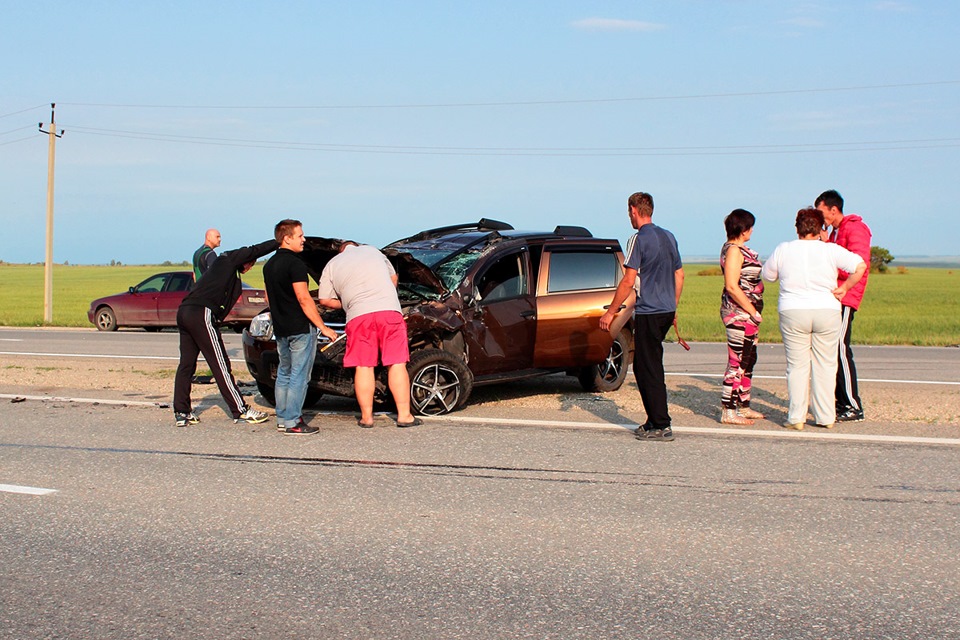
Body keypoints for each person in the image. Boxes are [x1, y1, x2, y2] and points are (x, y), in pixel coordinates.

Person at [761, 208, 866, 431]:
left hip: (793, 310)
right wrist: (845, 287)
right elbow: (860, 266)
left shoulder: (784, 249)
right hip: (826, 309)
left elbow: (768, 275)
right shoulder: (830, 250)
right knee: (826, 364)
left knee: (797, 365)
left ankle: (796, 416)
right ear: (820, 228)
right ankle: (825, 416)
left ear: (797, 227)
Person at [600, 192, 684, 442]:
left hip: (649, 311)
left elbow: (628, 280)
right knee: (648, 364)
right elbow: (679, 275)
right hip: (666, 309)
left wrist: (611, 312)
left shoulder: (638, 239)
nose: (630, 217)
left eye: (629, 212)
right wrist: (674, 307)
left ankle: (661, 423)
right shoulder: (669, 236)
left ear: (634, 210)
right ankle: (652, 421)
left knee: (648, 368)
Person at [173, 238, 277, 427]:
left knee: (186, 364)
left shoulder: (228, 273)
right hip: (200, 312)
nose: (250, 267)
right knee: (220, 364)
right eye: (251, 263)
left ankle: (182, 412)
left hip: (185, 311)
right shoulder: (228, 259)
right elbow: (254, 249)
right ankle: (241, 410)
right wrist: (279, 242)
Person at [317, 241, 421, 429]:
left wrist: (348, 302)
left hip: (358, 317)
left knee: (363, 366)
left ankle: (367, 417)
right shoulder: (374, 252)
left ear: (342, 250)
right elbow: (394, 279)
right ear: (357, 245)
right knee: (396, 364)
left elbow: (324, 299)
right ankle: (404, 415)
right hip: (389, 311)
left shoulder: (332, 264)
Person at [263, 220, 339, 435]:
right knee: (299, 375)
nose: (303, 239)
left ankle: (282, 417)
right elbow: (304, 298)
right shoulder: (296, 264)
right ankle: (294, 421)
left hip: (281, 328)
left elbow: (269, 297)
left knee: (284, 373)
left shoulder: (269, 265)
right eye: (300, 236)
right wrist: (323, 327)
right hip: (299, 328)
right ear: (287, 238)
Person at [815, 189, 871, 422]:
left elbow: (858, 264)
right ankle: (841, 403)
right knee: (833, 349)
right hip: (837, 295)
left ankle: (852, 404)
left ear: (833, 209)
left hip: (846, 295)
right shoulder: (838, 231)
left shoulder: (855, 228)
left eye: (821, 212)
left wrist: (829, 257)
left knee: (839, 347)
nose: (819, 218)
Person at [719, 209, 765, 425]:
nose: (752, 230)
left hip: (747, 314)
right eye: (750, 226)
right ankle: (728, 410)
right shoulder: (734, 251)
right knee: (736, 361)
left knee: (748, 359)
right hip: (738, 313)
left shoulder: (740, 249)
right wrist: (752, 310)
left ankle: (743, 405)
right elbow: (732, 285)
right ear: (743, 228)